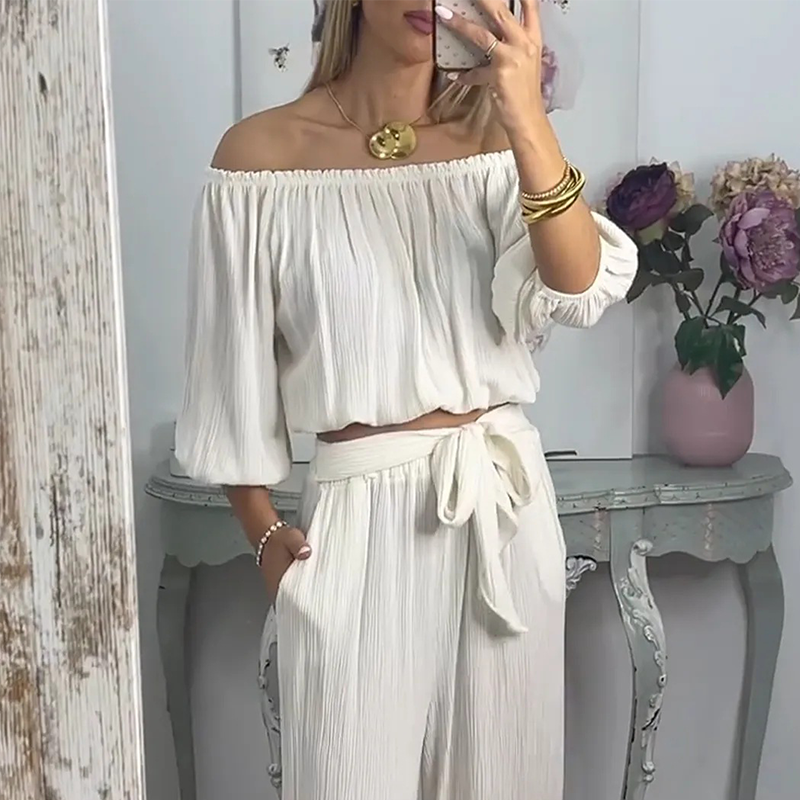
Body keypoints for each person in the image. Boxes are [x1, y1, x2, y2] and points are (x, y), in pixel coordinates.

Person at [175, 1, 637, 798]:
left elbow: (578, 287)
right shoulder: (260, 160)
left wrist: (526, 115)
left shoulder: (501, 143)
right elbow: (227, 378)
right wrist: (265, 537)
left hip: (502, 515)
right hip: (355, 528)